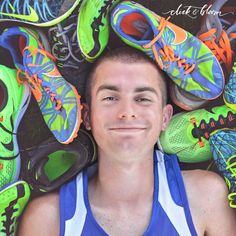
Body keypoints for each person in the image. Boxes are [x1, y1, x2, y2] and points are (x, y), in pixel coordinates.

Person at [18, 47, 236, 236]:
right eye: (110, 98)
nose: (127, 112)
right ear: (86, 117)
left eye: (142, 99)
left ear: (165, 118)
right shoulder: (47, 221)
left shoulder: (206, 197)